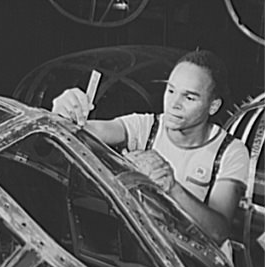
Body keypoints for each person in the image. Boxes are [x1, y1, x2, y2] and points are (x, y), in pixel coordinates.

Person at [51, 49, 250, 248]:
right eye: (171, 91)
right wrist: (64, 113)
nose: (174, 104)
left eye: (189, 98)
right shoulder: (147, 127)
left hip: (200, 266)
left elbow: (218, 232)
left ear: (213, 106)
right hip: (151, 255)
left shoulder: (231, 151)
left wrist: (172, 188)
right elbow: (88, 130)